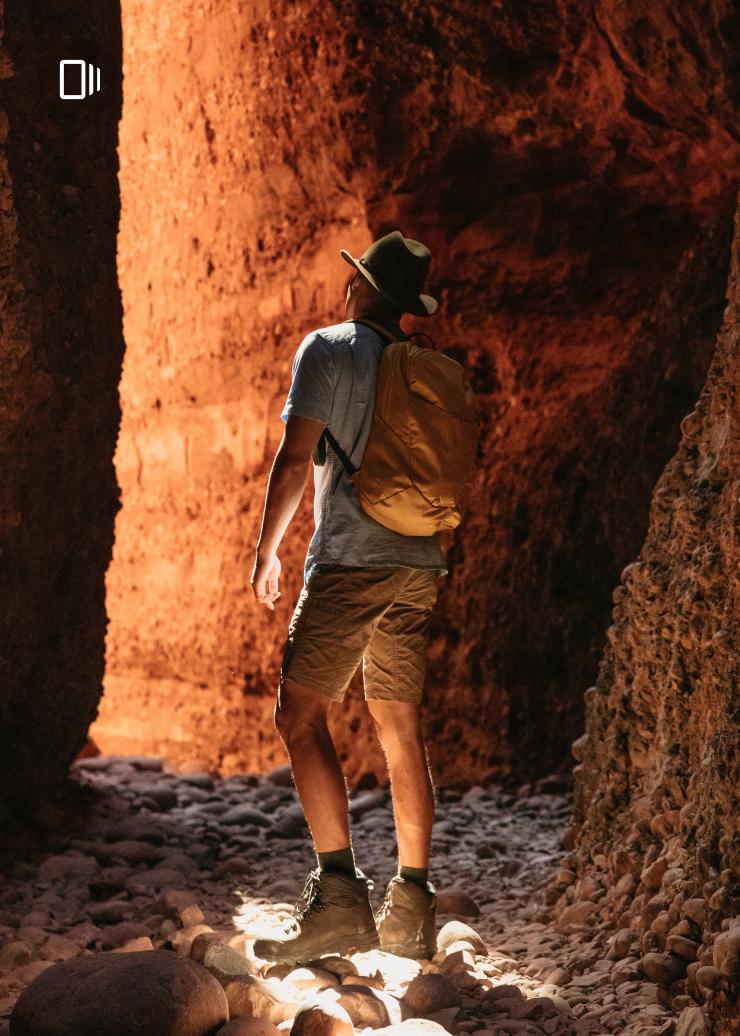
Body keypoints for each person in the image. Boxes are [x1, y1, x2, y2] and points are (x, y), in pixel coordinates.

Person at [250, 230, 445, 963]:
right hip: (419, 562)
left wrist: (267, 550)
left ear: (360, 287)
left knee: (299, 714)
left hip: (354, 560)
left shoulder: (328, 348)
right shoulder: (427, 366)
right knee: (401, 726)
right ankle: (415, 907)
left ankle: (339, 900)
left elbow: (296, 457)